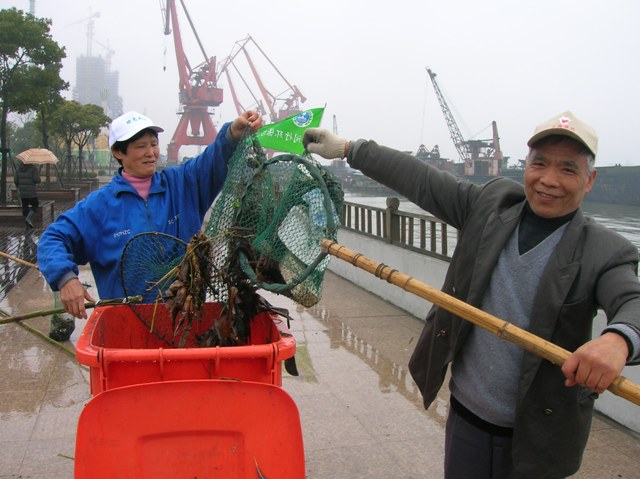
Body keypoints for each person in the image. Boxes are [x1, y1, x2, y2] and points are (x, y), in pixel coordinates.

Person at [303, 111, 640, 479]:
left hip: (539, 437)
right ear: (525, 166)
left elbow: (632, 301)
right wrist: (349, 149)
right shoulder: (491, 205)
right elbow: (421, 180)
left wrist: (618, 341)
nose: (548, 180)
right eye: (539, 164)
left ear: (590, 180)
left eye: (568, 169)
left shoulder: (605, 250)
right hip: (467, 416)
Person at [37, 109, 263, 320]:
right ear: (118, 152)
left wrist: (232, 134)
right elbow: (53, 238)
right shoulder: (98, 206)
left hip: (184, 318)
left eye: (154, 144)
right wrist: (65, 278)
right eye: (140, 146)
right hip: (126, 322)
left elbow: (213, 160)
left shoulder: (183, 184)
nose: (150, 153)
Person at [14, 161, 41, 228]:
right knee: (35, 205)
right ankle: (28, 219)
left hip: (22, 192)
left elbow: (16, 181)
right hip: (31, 192)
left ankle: (28, 224)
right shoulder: (33, 168)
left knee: (25, 207)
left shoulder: (18, 169)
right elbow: (37, 180)